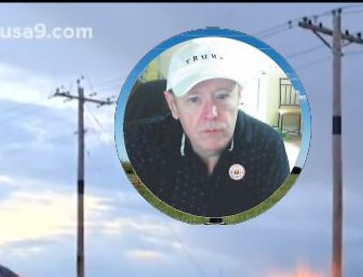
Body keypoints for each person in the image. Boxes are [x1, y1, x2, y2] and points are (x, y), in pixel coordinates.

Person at [124, 37, 292, 220]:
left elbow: (274, 223)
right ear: (173, 105)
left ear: (239, 96)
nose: (211, 113)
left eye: (222, 96)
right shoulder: (138, 144)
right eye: (194, 99)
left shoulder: (267, 147)